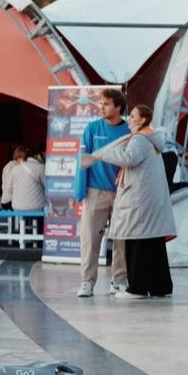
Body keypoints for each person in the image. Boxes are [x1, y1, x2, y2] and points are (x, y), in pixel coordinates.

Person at [87, 106, 175, 299]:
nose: (129, 119)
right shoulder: (152, 140)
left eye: (133, 116)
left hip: (139, 202)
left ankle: (138, 288)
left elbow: (129, 159)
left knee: (137, 245)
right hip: (150, 201)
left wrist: (103, 155)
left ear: (142, 120)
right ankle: (160, 287)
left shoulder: (140, 140)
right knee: (154, 245)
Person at [74, 89, 131, 297]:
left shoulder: (129, 131)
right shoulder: (91, 128)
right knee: (89, 238)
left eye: (106, 104)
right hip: (95, 192)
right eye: (101, 103)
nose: (102, 107)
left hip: (122, 193)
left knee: (121, 239)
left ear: (118, 107)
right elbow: (82, 161)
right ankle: (87, 282)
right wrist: (79, 192)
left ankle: (118, 280)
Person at [0, 145, 46, 234]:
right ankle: (39, 237)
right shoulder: (41, 168)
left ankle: (24, 234)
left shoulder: (14, 169)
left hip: (17, 207)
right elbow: (47, 187)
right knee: (44, 210)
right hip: (37, 207)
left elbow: (9, 189)